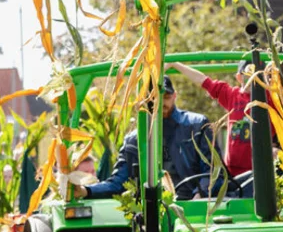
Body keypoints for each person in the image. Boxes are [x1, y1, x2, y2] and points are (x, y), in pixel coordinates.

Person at [79, 77, 214, 201]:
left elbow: (212, 170)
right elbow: (118, 183)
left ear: (174, 96)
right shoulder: (132, 142)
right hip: (150, 210)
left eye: (165, 97)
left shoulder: (196, 126)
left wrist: (200, 194)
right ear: (143, 102)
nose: (160, 104)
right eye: (153, 99)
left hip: (193, 204)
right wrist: (86, 191)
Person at [168, 61, 252, 179]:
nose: (254, 79)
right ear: (239, 77)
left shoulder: (269, 97)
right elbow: (203, 80)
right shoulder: (233, 96)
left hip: (260, 167)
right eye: (250, 74)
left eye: (259, 75)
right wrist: (175, 64)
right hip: (233, 169)